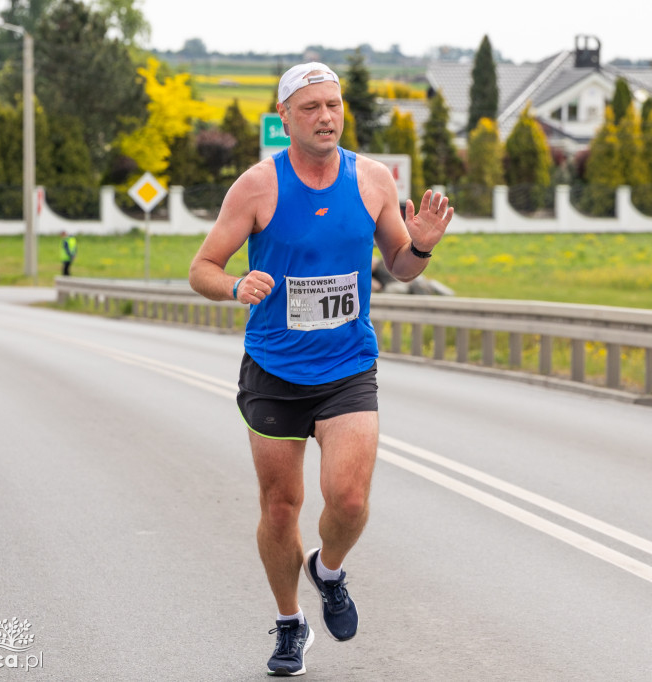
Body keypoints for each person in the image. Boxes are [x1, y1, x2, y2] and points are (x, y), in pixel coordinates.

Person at [189, 62, 453, 677]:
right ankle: (289, 623)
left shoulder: (373, 180)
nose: (326, 116)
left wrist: (419, 245)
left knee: (350, 499)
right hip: (275, 369)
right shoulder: (257, 186)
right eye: (310, 108)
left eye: (333, 105)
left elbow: (401, 268)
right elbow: (202, 267)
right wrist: (234, 285)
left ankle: (328, 569)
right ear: (285, 119)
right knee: (281, 507)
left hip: (347, 366)